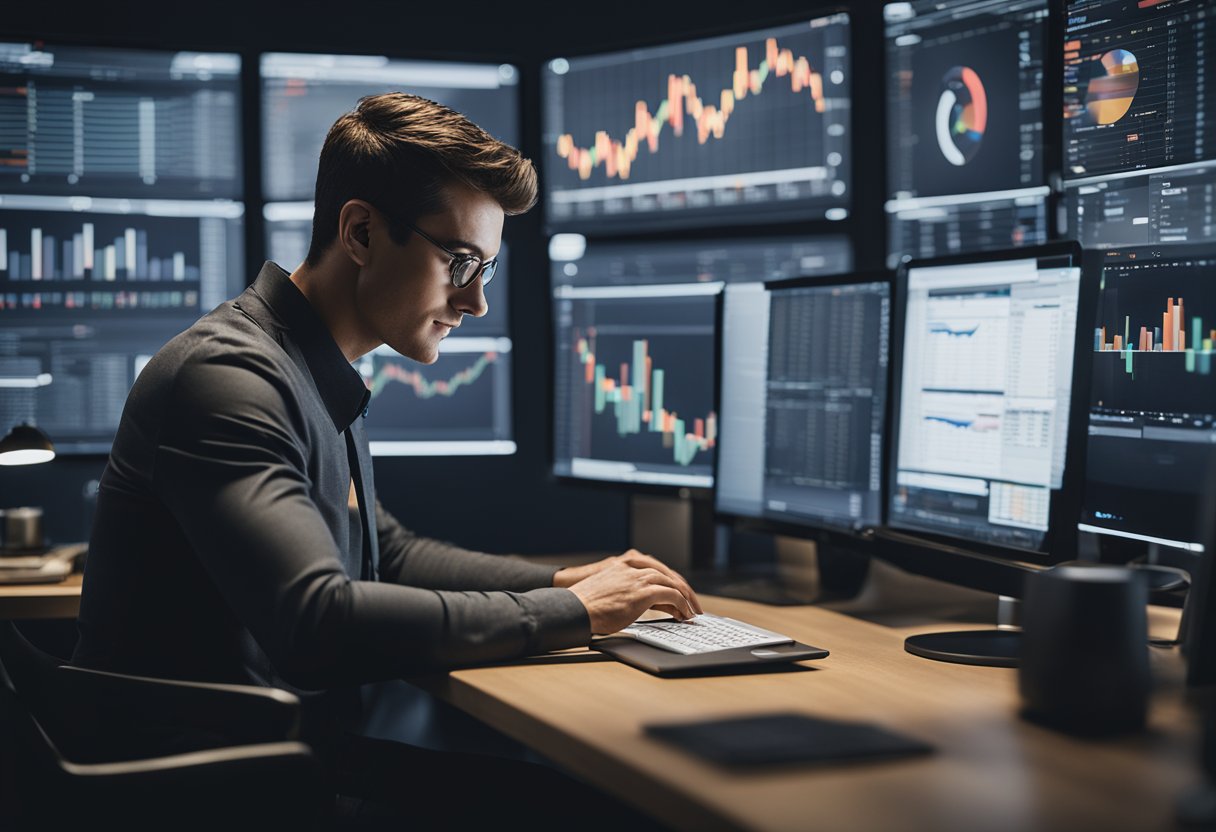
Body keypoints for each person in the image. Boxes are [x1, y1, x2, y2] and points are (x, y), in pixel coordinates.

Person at [71, 92, 701, 826]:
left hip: (259, 756)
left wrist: (568, 581)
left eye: (485, 270)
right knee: (593, 809)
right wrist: (569, 613)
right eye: (461, 262)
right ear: (362, 231)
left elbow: (385, 554)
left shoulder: (306, 365)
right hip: (196, 788)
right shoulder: (229, 380)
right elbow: (318, 625)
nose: (477, 304)